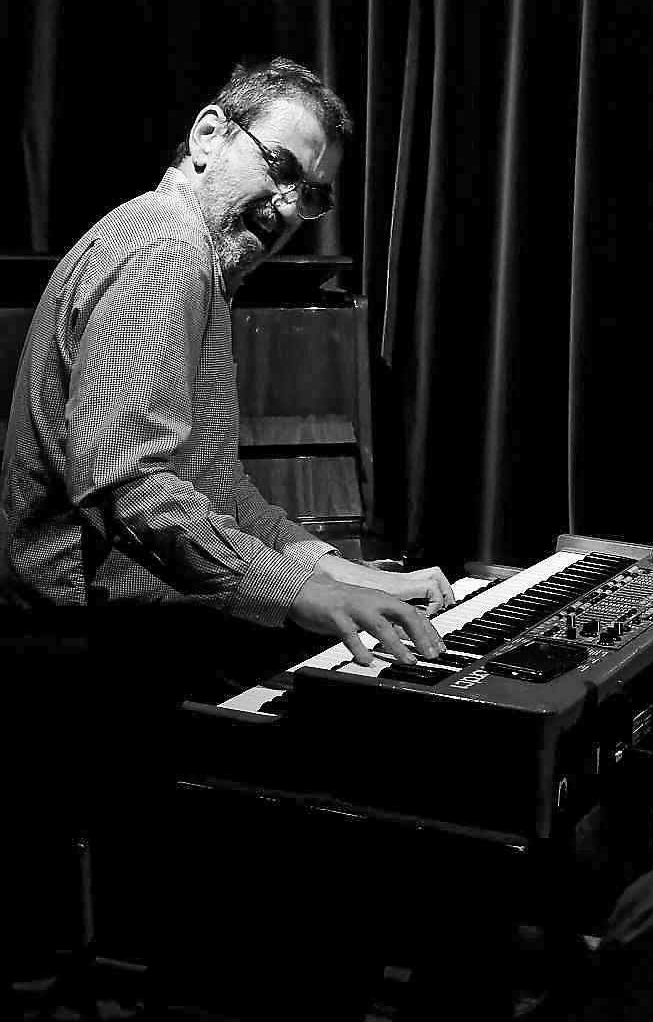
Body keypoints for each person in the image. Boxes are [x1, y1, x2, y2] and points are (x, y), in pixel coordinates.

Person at [0, 57, 454, 674]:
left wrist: (341, 573)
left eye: (312, 195)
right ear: (208, 135)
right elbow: (130, 488)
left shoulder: (197, 257)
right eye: (281, 168)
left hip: (143, 624)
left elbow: (220, 489)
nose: (289, 208)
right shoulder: (167, 245)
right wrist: (298, 592)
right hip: (87, 644)